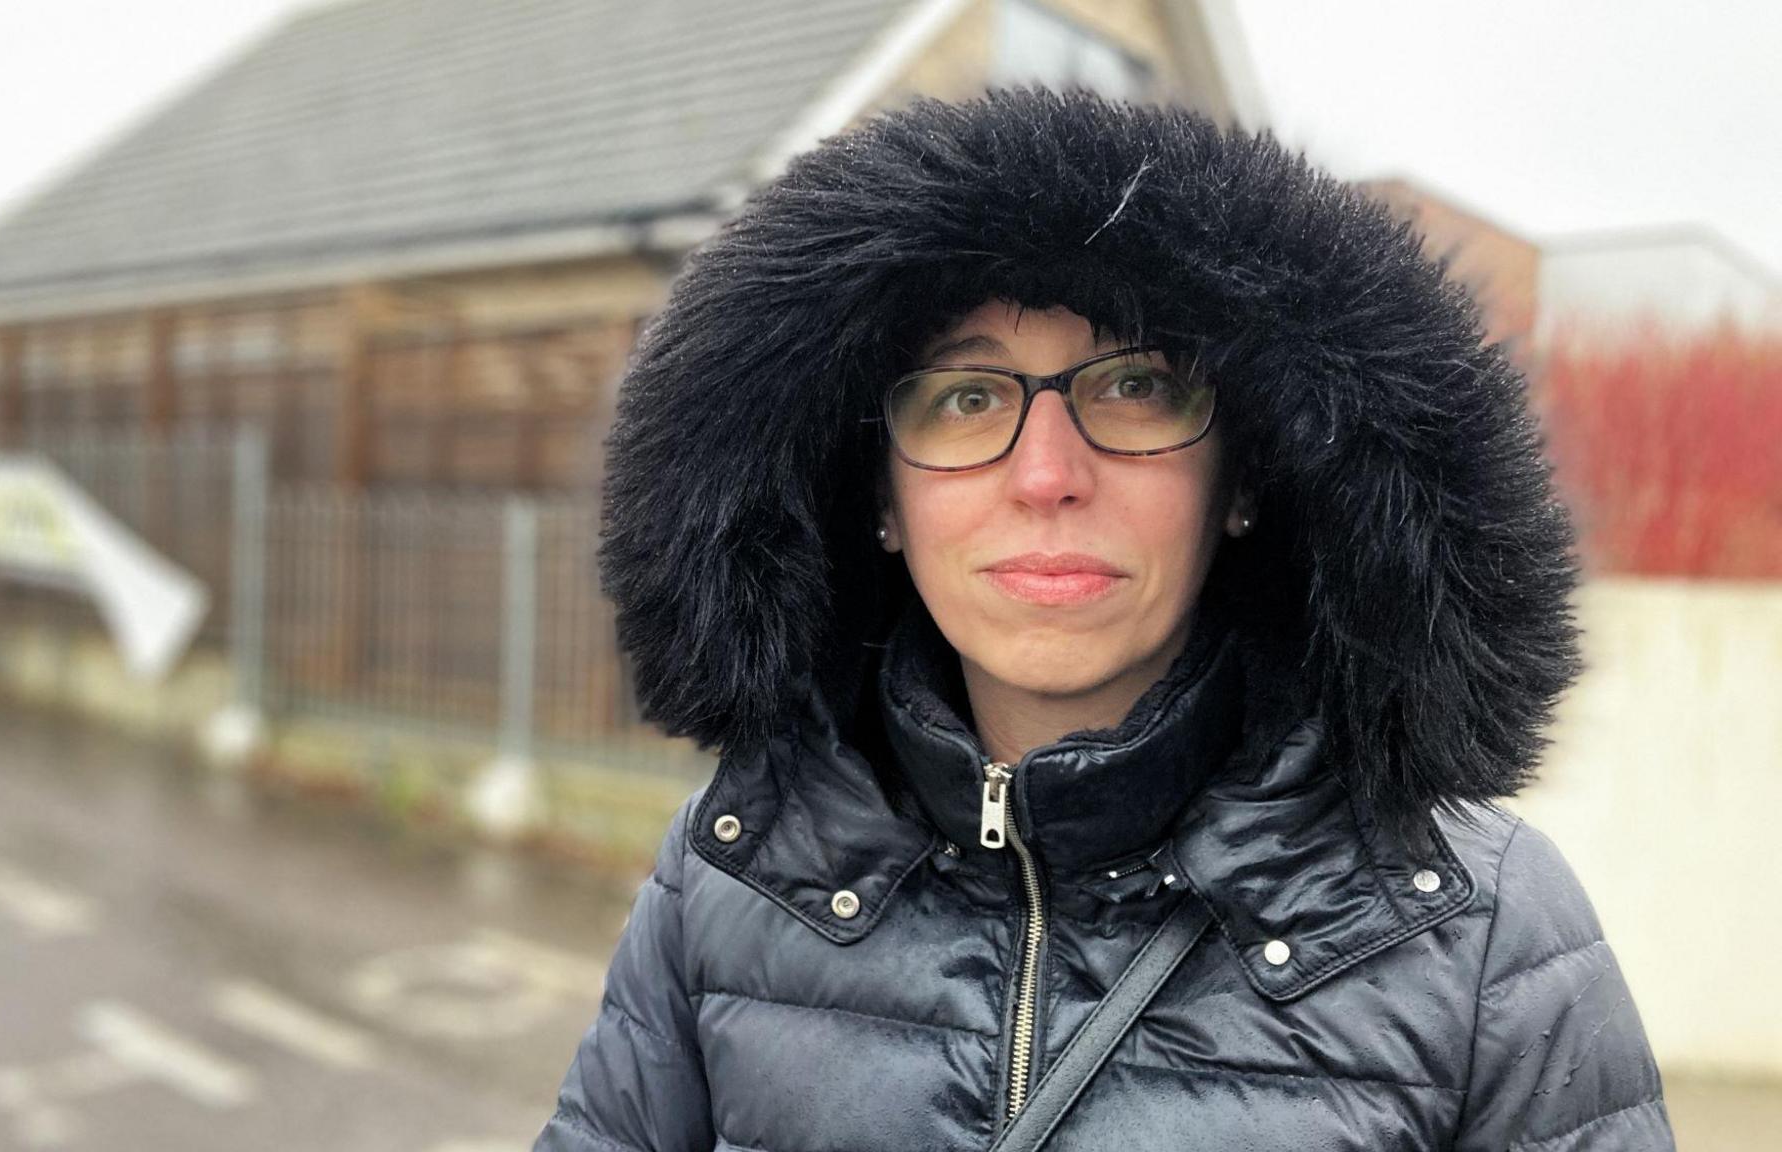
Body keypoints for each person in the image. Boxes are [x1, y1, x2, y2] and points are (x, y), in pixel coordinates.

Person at [533, 87, 1672, 1150]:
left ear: (1238, 481)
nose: (1044, 475)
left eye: (1133, 388)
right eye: (966, 396)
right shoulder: (727, 872)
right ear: (879, 494)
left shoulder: (1478, 936)